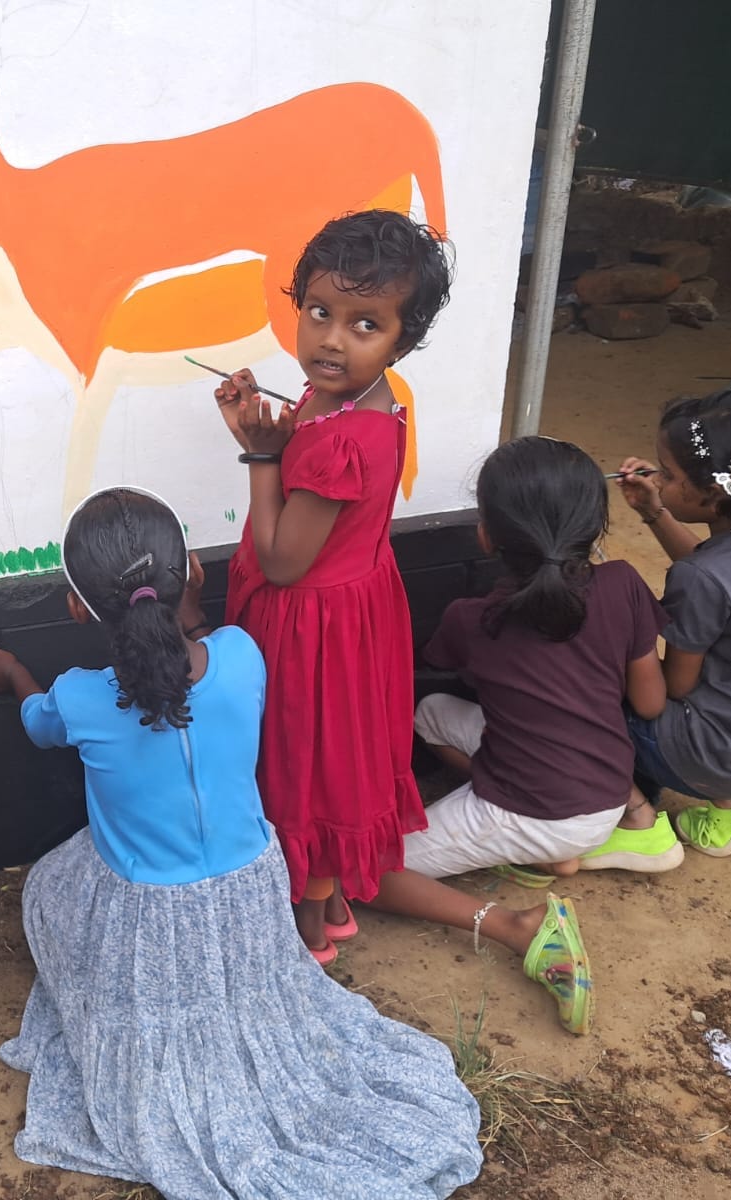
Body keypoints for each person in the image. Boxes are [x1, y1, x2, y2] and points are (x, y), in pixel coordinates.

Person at [0, 487, 483, 1200]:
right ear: (192, 570)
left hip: (151, 917)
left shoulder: (78, 697)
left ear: (76, 608)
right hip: (253, 890)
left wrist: (12, 674)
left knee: (51, 884)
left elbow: (39, 724)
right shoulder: (243, 656)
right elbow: (191, 670)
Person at [214, 209, 452, 961]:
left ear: (402, 341)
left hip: (312, 632)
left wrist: (260, 457)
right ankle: (337, 899)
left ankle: (309, 932)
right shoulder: (359, 399)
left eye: (365, 325)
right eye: (320, 312)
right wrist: (267, 433)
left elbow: (284, 561)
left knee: (308, 770)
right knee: (336, 763)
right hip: (355, 614)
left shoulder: (344, 438)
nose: (332, 340)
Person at [579, 387, 731, 868]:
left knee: (577, 694)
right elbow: (718, 576)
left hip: (707, 755)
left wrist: (615, 634)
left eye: (668, 475)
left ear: (714, 493)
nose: (658, 480)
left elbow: (669, 690)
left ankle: (638, 825)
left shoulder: (700, 580)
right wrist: (655, 511)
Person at [409, 437, 671, 884]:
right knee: (431, 713)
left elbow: (440, 662)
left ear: (485, 536)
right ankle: (545, 848)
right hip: (609, 793)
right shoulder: (623, 582)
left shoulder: (470, 618)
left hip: (541, 810)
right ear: (595, 525)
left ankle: (530, 842)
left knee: (378, 866)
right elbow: (650, 704)